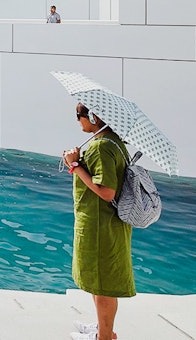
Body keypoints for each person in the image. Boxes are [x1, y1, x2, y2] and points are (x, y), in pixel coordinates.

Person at [62, 103, 133, 340]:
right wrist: (79, 161)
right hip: (104, 223)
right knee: (98, 281)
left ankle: (103, 337)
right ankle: (104, 330)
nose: (78, 121)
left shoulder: (102, 146)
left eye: (79, 116)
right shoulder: (112, 141)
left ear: (92, 116)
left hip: (100, 225)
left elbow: (106, 192)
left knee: (102, 285)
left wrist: (75, 165)